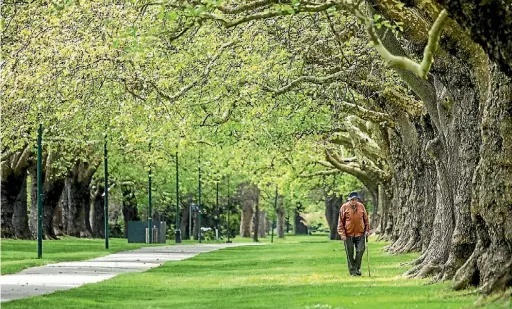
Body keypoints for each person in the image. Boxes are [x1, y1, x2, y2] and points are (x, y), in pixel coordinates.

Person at [337, 191, 370, 276]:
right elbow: (340, 222)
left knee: (360, 250)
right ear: (349, 200)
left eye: (355, 199)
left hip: (361, 234)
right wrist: (342, 234)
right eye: (352, 200)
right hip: (348, 235)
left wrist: (367, 230)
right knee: (350, 254)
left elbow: (366, 220)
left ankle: (357, 267)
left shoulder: (361, 206)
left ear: (357, 199)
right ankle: (353, 272)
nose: (354, 201)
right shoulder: (344, 207)